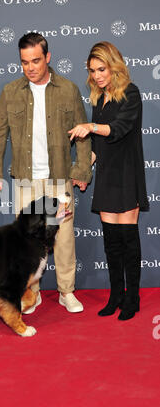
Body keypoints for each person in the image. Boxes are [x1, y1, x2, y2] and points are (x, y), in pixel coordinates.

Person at [0, 33, 92, 314]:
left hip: (59, 177)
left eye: (35, 60)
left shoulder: (68, 89)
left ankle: (66, 291)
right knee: (25, 242)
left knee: (65, 238)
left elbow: (83, 133)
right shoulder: (10, 92)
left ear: (47, 57)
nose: (30, 67)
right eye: (24, 62)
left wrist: (82, 170)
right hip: (25, 178)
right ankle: (31, 293)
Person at [68, 41, 149, 320]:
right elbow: (98, 147)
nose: (97, 75)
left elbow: (119, 129)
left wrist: (90, 126)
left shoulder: (131, 93)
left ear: (114, 65)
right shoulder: (99, 99)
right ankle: (116, 294)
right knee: (111, 242)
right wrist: (82, 171)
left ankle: (133, 297)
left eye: (101, 69)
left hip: (126, 174)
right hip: (105, 175)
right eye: (92, 71)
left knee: (128, 240)